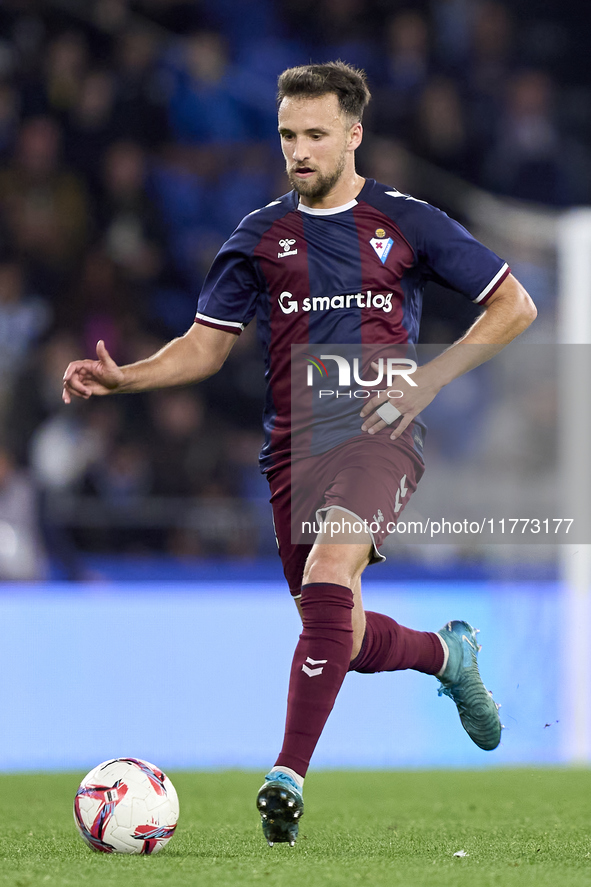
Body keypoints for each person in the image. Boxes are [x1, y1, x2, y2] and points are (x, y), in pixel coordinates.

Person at [63, 61, 537, 847]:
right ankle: (446, 654)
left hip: (381, 430)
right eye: (288, 135)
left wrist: (427, 380)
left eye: (315, 134)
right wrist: (127, 378)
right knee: (335, 630)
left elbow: (513, 306)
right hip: (292, 449)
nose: (299, 150)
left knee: (327, 575)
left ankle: (285, 774)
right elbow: (203, 349)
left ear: (353, 135)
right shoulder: (258, 237)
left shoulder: (406, 221)